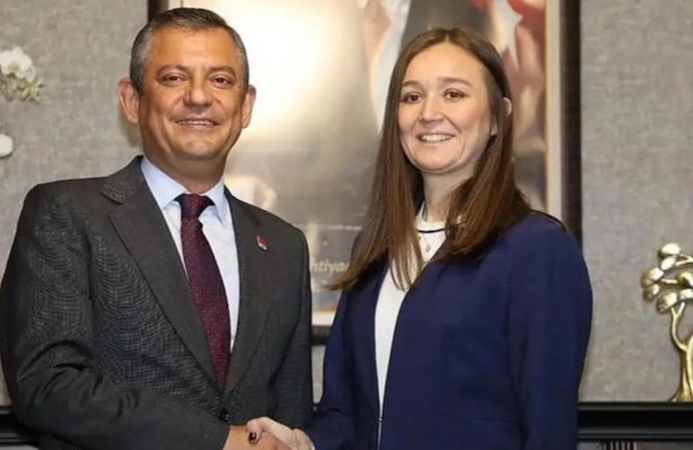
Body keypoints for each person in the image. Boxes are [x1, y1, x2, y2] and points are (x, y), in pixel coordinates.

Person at [246, 26, 592, 449]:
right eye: (411, 97)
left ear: (498, 117)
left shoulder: (537, 249)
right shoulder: (376, 250)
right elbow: (345, 415)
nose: (429, 112)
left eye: (453, 94)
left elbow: (548, 429)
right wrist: (301, 443)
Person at [0, 7, 312, 450]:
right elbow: (47, 385)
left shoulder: (284, 246)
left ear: (245, 105)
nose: (198, 96)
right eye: (174, 78)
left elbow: (290, 415)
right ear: (132, 100)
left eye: (221, 80)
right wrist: (218, 440)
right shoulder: (66, 214)